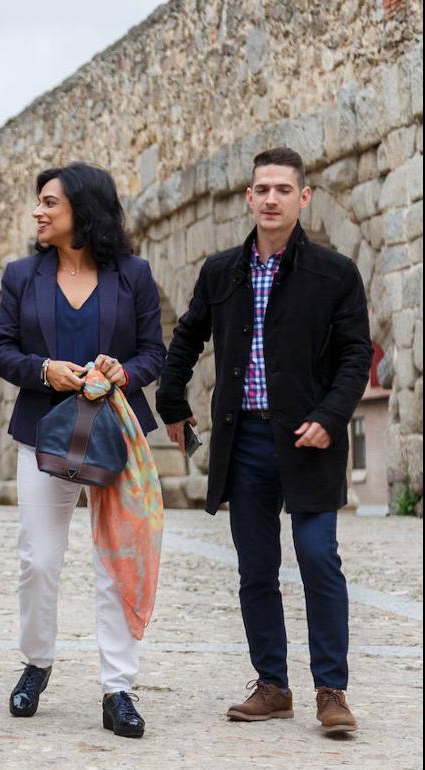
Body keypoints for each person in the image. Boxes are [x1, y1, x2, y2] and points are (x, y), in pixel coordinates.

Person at [156, 146, 371, 734]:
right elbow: (188, 336)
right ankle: (273, 685)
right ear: (249, 199)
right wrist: (171, 403)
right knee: (256, 566)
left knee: (319, 557)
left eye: (283, 189)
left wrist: (331, 415)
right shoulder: (220, 271)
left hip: (310, 441)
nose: (271, 198)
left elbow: (356, 355)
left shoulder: (336, 274)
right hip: (244, 440)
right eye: (262, 189)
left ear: (303, 198)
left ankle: (332, 690)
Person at [0, 162, 165, 738]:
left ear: (83, 211)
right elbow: (3, 353)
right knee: (37, 561)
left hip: (116, 436)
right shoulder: (21, 275)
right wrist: (45, 370)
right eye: (38, 203)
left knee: (116, 562)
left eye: (50, 203)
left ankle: (118, 688)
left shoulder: (133, 275)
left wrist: (123, 371)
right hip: (43, 434)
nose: (38, 212)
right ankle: (36, 663)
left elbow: (153, 354)